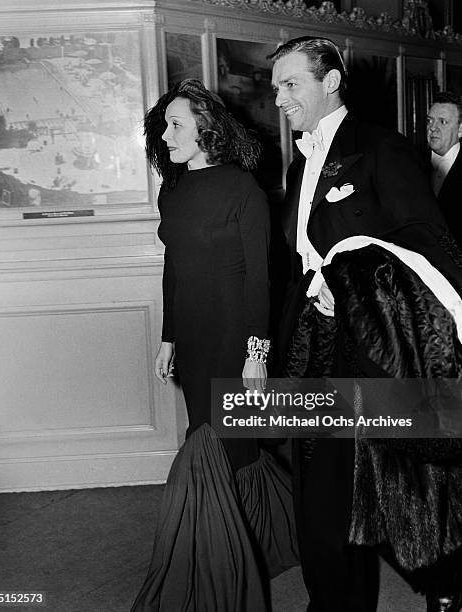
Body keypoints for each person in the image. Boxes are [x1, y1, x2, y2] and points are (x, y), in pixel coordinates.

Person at [270, 36, 462, 612]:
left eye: (290, 84)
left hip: (374, 346)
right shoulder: (300, 160)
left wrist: (349, 275)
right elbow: (291, 263)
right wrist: (262, 347)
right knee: (323, 494)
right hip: (315, 346)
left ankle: (448, 585)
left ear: (330, 82)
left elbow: (431, 244)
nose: (279, 98)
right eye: (275, 86)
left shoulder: (382, 148)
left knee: (404, 485)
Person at [131, 78, 297, 612]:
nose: (165, 132)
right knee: (230, 447)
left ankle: (216, 575)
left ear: (206, 128)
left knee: (217, 445)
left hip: (234, 335)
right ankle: (265, 539)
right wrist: (167, 336)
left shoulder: (242, 189)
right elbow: (172, 265)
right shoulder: (173, 190)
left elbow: (258, 279)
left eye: (175, 123)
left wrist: (256, 352)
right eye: (163, 123)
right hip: (195, 337)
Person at [427, 91, 462, 246]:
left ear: (460, 130)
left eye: (443, 122)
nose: (433, 128)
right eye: (429, 121)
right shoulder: (411, 163)